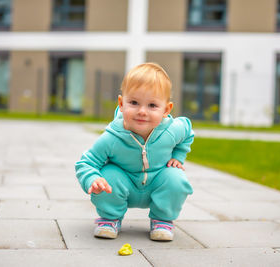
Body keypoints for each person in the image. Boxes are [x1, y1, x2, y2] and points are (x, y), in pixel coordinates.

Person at [75, 62, 194, 241]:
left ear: (166, 110)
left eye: (152, 105)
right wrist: (93, 179)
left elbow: (188, 132)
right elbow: (86, 162)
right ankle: (109, 218)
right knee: (108, 175)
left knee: (176, 178)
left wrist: (178, 156)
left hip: (157, 183)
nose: (142, 111)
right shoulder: (112, 137)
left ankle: (162, 220)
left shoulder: (172, 130)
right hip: (124, 184)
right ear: (121, 104)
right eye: (134, 103)